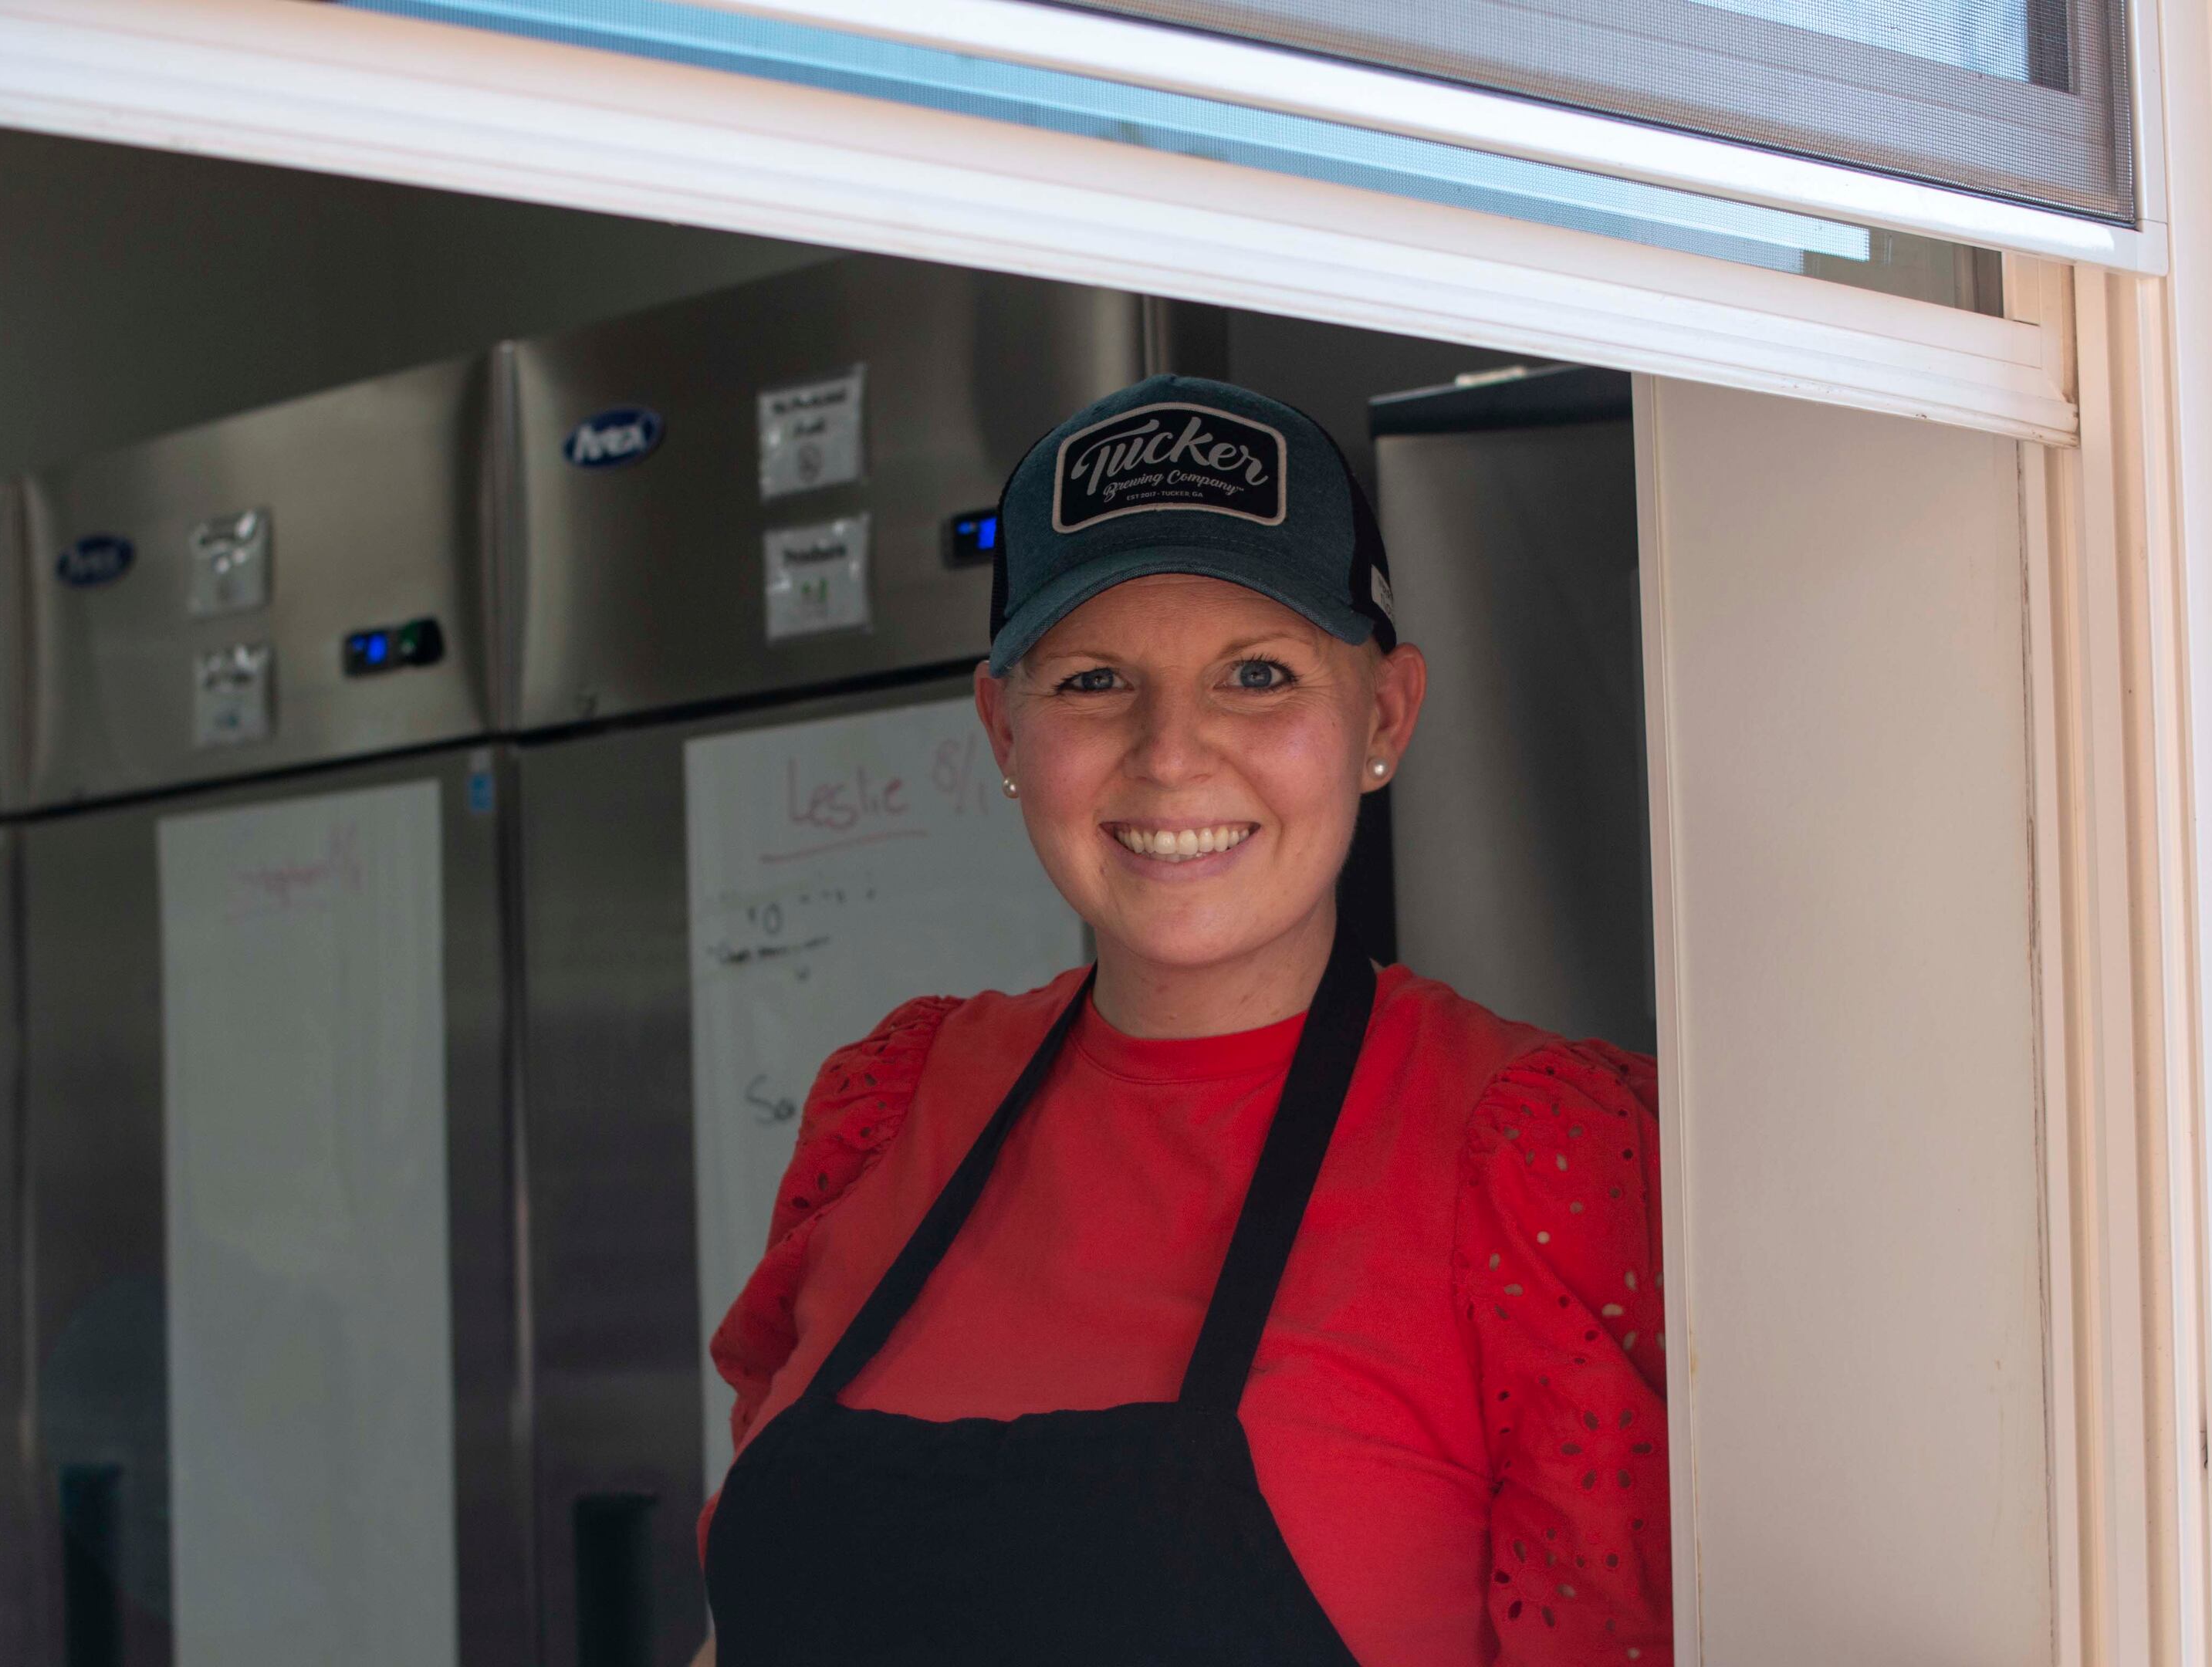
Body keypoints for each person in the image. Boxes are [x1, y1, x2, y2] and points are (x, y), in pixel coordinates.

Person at [698, 376, 1669, 1665]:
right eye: (1096, 682)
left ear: (1382, 715)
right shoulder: (890, 1105)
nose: (1171, 753)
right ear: (1002, 725)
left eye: (1257, 676)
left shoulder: (1539, 1164)